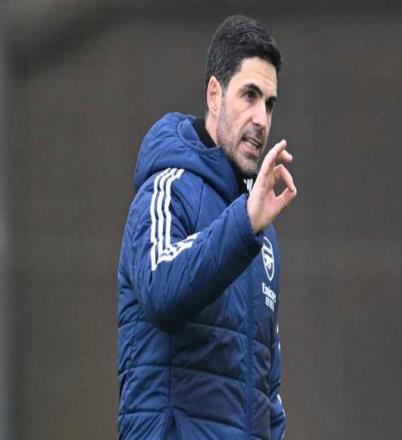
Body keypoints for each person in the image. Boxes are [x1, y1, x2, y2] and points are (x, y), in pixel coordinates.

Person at [117, 15, 297, 439]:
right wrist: (244, 225)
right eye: (249, 95)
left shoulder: (259, 230)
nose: (261, 118)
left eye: (270, 104)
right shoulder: (167, 189)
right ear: (214, 95)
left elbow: (267, 388)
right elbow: (162, 289)